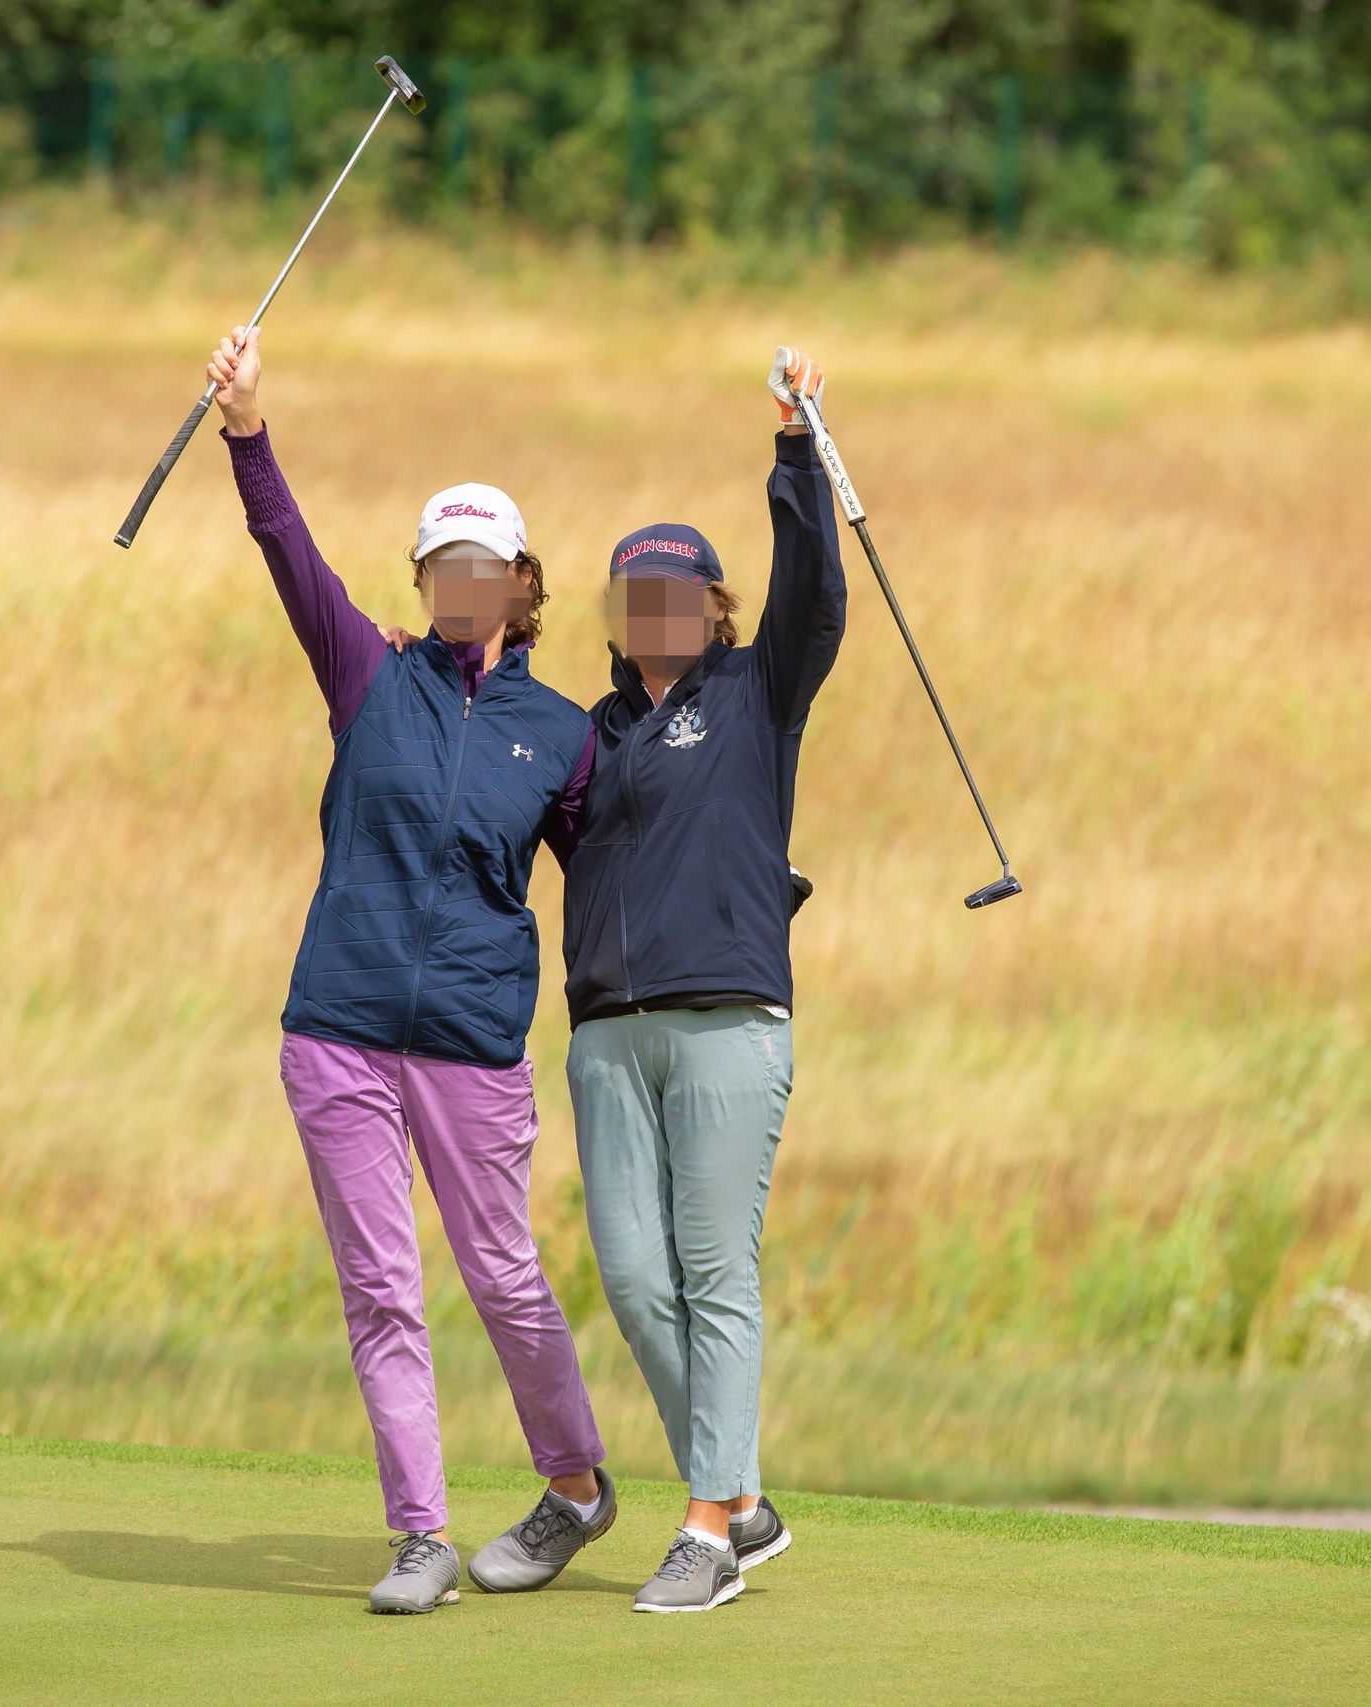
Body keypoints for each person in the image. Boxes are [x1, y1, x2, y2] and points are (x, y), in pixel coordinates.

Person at [203, 324, 617, 1616]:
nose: (462, 582)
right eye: (444, 563)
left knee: (502, 1274)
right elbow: (289, 554)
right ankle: (419, 1534)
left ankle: (576, 1483)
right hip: (336, 1027)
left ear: (519, 581)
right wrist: (247, 431)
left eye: (483, 566)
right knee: (381, 1285)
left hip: (472, 1041)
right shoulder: (368, 675)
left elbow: (610, 875)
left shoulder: (560, 733)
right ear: (427, 574)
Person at [563, 350, 848, 1613]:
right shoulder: (593, 729)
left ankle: (704, 1532)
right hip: (607, 1031)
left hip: (728, 1015)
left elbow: (818, 597)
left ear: (714, 608)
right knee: (632, 1278)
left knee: (710, 1265)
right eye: (636, 595)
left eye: (677, 591)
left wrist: (796, 454)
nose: (656, 610)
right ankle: (739, 1494)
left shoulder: (755, 688)